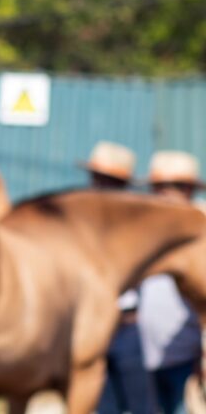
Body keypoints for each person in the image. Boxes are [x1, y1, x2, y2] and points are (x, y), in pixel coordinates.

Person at [87, 142, 157, 414]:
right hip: (94, 328)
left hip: (127, 325)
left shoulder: (135, 227)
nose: (103, 187)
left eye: (112, 182)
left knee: (142, 406)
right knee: (104, 406)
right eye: (99, 179)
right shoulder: (82, 223)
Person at [139, 151, 205, 414]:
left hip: (188, 357)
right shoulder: (145, 230)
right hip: (149, 353)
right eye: (160, 187)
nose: (165, 194)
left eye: (174, 187)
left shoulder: (199, 229)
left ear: (188, 189)